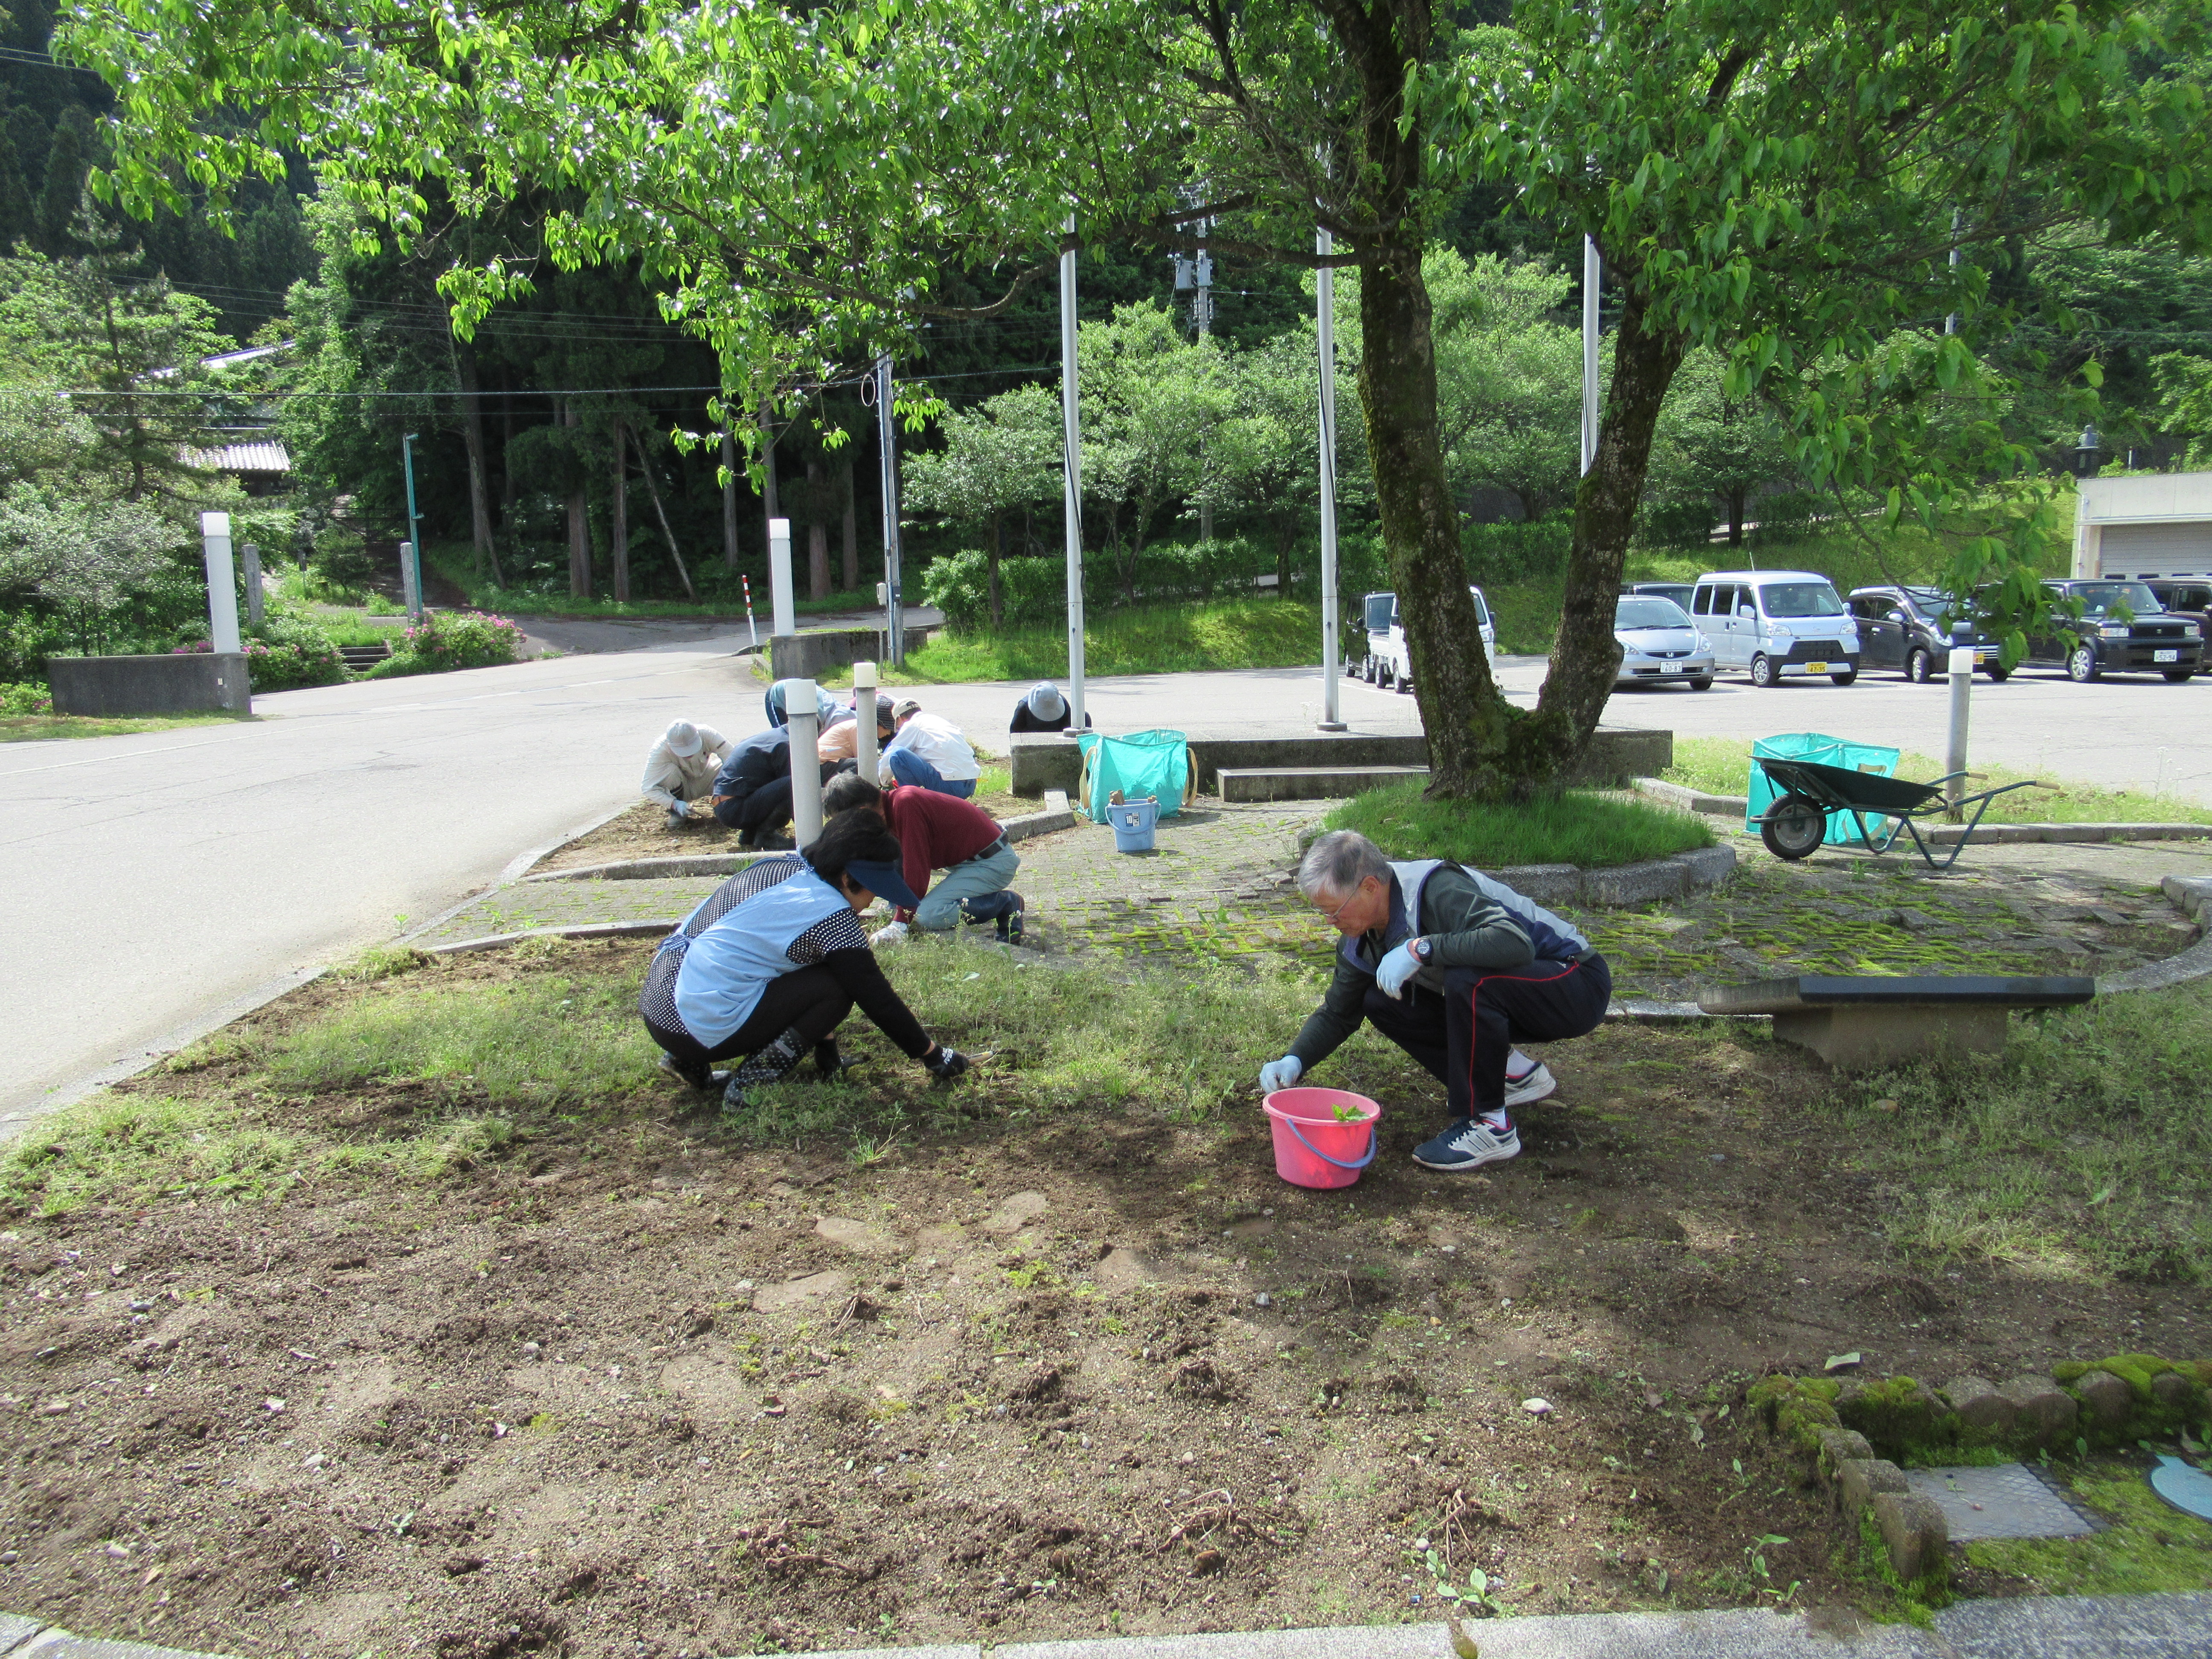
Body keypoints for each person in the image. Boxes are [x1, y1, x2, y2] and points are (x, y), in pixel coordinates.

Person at [1258, 830, 1610, 1173]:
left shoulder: (1436, 888)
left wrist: (1420, 949)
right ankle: (1513, 1076)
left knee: (1468, 977)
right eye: (1323, 913)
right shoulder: (1358, 938)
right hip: (1519, 1000)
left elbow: (1513, 943)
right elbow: (1339, 1011)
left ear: (1369, 887)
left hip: (1575, 984)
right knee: (1378, 999)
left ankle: (1492, 1125)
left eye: (1335, 911)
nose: (1331, 922)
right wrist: (1295, 1059)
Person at [639, 809, 973, 1107]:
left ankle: (686, 1061)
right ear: (846, 878)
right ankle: (752, 1082)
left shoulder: (782, 867)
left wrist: (829, 1059)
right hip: (692, 1026)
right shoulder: (832, 915)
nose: (873, 901)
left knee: (824, 975)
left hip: (660, 1004)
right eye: (874, 889)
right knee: (840, 988)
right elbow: (875, 996)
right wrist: (932, 1055)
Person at [823, 774, 1023, 943]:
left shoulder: (906, 803)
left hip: (993, 863)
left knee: (928, 914)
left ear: (863, 812)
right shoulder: (890, 808)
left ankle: (1005, 904)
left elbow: (916, 870)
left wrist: (900, 923)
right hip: (969, 861)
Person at [708, 725, 835, 849]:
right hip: (735, 809)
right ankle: (766, 836)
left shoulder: (772, 737)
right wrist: (813, 836)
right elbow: (798, 796)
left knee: (775, 784)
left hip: (725, 806)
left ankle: (750, 835)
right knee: (798, 781)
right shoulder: (786, 745)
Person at [877, 699, 981, 797]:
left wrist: (885, 782)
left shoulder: (912, 725)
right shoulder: (937, 721)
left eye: (898, 725)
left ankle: (909, 800)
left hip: (950, 787)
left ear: (900, 719)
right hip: (970, 784)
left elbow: (890, 756)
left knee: (898, 754)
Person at [640, 719, 732, 830]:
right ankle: (678, 813)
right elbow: (648, 788)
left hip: (706, 779)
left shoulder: (708, 734)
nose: (689, 754)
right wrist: (674, 804)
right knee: (670, 771)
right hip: (681, 789)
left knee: (729, 766)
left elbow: (734, 759)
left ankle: (723, 805)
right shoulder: (660, 750)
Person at [818, 693, 897, 771]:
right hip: (823, 765)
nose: (889, 733)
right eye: (888, 729)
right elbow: (865, 759)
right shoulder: (859, 729)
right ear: (879, 725)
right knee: (864, 764)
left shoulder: (861, 726)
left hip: (834, 762)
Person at [1008, 681, 1090, 734]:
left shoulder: (1063, 703)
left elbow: (1068, 724)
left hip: (1057, 739)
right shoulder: (1023, 707)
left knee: (1084, 717)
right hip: (1032, 741)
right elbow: (1015, 733)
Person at [764, 678, 844, 731]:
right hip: (779, 693)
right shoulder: (827, 720)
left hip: (802, 693)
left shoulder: (846, 715)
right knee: (783, 734)